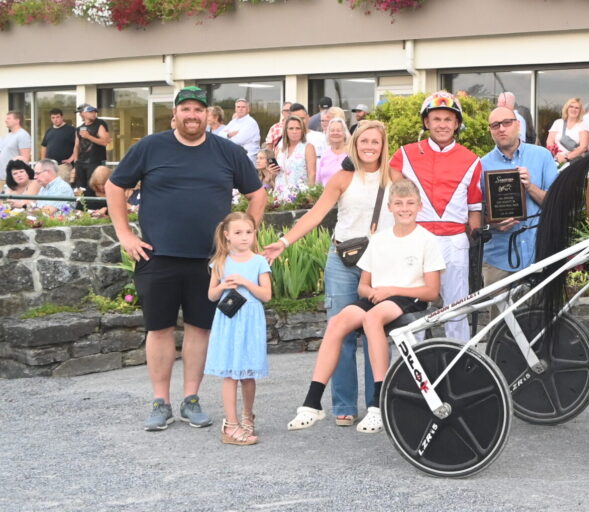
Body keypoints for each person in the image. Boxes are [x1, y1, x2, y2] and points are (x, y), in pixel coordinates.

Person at [107, 86, 266, 432]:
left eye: (198, 109)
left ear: (207, 115)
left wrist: (245, 239)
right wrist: (125, 234)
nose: (192, 115)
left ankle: (190, 399)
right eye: (186, 109)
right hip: (157, 254)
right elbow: (114, 186)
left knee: (200, 328)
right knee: (159, 328)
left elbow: (257, 192)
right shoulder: (150, 147)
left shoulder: (227, 151)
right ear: (174, 114)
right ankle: (160, 403)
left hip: (210, 261)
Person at [287, 178, 444, 434]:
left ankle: (377, 404)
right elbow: (363, 287)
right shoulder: (379, 239)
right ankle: (312, 401)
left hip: (409, 296)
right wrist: (372, 292)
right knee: (338, 321)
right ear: (390, 207)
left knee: (372, 320)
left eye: (410, 203)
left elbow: (432, 290)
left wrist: (391, 291)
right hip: (379, 296)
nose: (405, 208)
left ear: (419, 206)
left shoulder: (427, 240)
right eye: (399, 203)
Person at [266, 120, 393, 427]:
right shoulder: (342, 178)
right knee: (342, 332)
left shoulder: (394, 178)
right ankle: (344, 405)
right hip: (343, 262)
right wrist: (284, 242)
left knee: (378, 334)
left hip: (379, 266)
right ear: (355, 144)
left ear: (382, 145)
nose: (369, 147)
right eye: (364, 142)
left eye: (375, 142)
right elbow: (316, 215)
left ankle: (379, 403)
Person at [390, 91, 483, 341]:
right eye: (437, 119)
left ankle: (461, 362)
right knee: (412, 307)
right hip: (417, 240)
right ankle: (410, 369)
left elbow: (475, 208)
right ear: (426, 122)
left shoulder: (472, 160)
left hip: (455, 243)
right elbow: (388, 194)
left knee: (457, 309)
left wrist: (475, 238)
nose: (442, 124)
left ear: (456, 124)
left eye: (448, 119)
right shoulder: (405, 154)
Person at [204, 212, 272, 446]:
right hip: (229, 321)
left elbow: (266, 294)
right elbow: (212, 295)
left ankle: (247, 416)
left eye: (248, 232)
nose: (244, 238)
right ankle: (231, 424)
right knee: (231, 372)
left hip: (250, 322)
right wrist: (223, 285)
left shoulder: (259, 261)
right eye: (238, 233)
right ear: (227, 236)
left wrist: (245, 282)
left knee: (248, 373)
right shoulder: (220, 262)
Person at [481, 107, 559, 284]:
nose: (501, 128)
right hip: (499, 258)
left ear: (517, 125)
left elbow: (556, 205)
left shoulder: (542, 156)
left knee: (537, 311)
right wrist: (492, 222)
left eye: (507, 123)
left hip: (538, 254)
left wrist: (530, 187)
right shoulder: (481, 165)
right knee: (499, 312)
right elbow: (475, 213)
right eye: (495, 125)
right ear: (490, 130)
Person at [73, 104, 111, 195]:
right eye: (91, 112)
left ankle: (95, 207)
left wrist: (88, 136)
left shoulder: (100, 124)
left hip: (95, 161)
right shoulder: (79, 128)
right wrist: (76, 162)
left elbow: (105, 142)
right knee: (80, 188)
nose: (94, 114)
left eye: (94, 112)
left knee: (93, 187)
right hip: (81, 163)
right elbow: (76, 145)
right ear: (83, 114)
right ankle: (82, 207)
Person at [273, 116, 316, 194]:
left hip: (300, 195)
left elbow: (312, 173)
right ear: (286, 130)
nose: (294, 131)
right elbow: (275, 174)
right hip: (280, 193)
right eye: (291, 128)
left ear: (302, 130)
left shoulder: (308, 147)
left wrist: (311, 194)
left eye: (298, 128)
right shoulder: (280, 148)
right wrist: (272, 172)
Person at [546, 98, 589, 164]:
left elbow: (583, 147)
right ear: (567, 109)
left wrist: (566, 157)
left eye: (576, 108)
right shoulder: (558, 122)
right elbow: (549, 142)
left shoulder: (583, 125)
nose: (573, 109)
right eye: (571, 107)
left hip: (575, 162)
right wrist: (557, 155)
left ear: (580, 111)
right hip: (556, 160)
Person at [40, 108, 76, 182]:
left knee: (62, 190)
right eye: (53, 118)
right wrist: (43, 161)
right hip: (49, 167)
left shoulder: (71, 130)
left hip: (63, 166)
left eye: (57, 117)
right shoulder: (49, 131)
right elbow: (44, 147)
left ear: (62, 117)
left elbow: (78, 146)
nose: (55, 119)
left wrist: (71, 158)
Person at [315, 117, 350, 187]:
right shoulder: (325, 153)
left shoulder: (351, 154)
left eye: (339, 130)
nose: (335, 133)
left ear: (344, 133)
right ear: (328, 133)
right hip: (326, 195)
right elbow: (318, 180)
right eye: (332, 130)